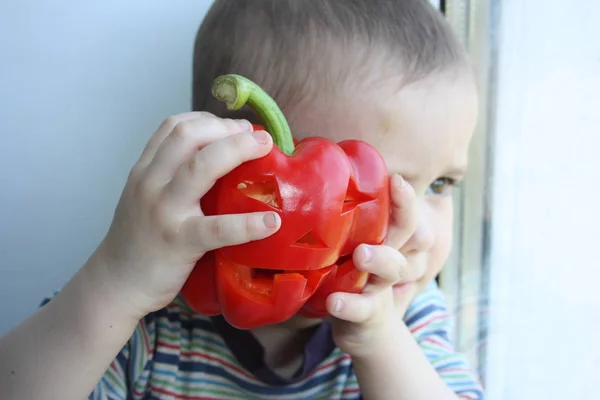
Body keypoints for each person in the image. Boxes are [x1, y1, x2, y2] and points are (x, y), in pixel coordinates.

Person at [0, 0, 484, 399]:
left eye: (441, 185)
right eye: (372, 192)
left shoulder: (406, 315)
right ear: (228, 175)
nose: (425, 234)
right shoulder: (150, 320)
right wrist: (116, 283)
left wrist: (379, 341)